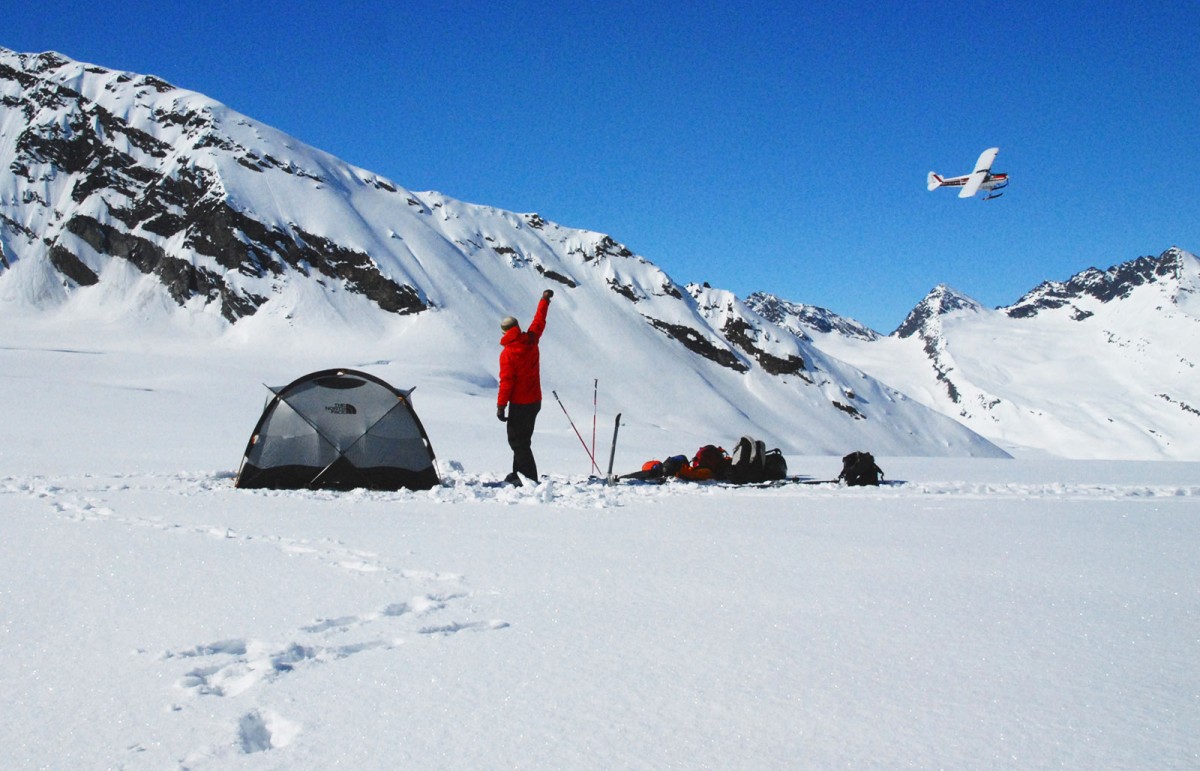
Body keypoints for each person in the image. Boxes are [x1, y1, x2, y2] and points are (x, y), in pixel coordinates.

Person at [497, 289, 553, 486]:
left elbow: (507, 381)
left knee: (517, 442)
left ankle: (529, 479)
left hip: (519, 403)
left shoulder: (508, 353)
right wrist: (544, 300)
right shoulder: (531, 340)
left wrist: (501, 405)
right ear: (517, 327)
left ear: (504, 332)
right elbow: (539, 321)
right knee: (523, 439)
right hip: (534, 400)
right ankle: (518, 475)